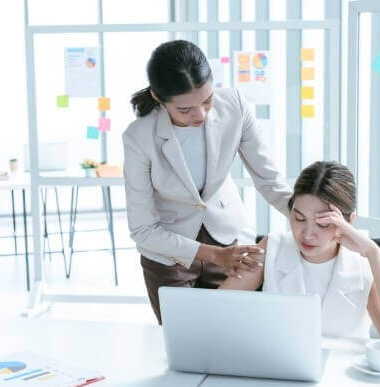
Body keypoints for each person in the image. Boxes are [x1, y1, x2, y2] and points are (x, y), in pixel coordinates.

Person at [122, 40, 291, 324]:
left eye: (207, 100)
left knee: (228, 335)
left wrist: (305, 216)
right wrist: (214, 255)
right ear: (158, 98)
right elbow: (142, 229)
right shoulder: (139, 137)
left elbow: (268, 178)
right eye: (185, 110)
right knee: (184, 342)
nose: (199, 115)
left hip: (224, 236)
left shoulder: (235, 105)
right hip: (169, 254)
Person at [220, 161, 380, 355]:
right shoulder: (272, 248)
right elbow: (215, 310)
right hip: (280, 374)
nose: (307, 234)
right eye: (298, 218)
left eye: (323, 224)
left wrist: (373, 254)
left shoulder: (363, 264)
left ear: (349, 221)